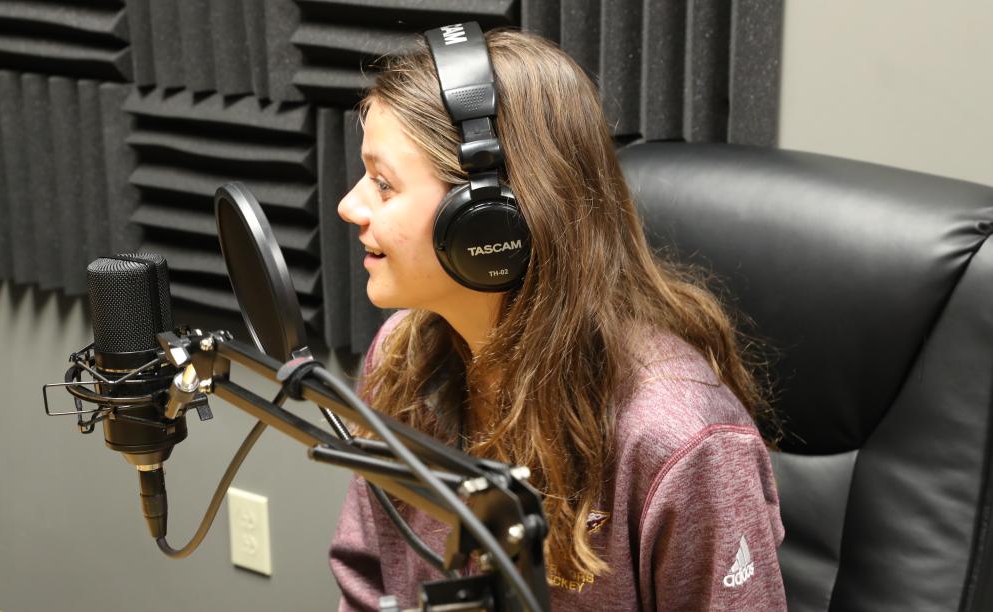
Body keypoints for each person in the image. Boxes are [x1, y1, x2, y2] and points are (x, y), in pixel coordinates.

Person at [330, 23, 785, 611]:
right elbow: (368, 584)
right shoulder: (403, 358)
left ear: (487, 224)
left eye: (384, 184)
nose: (349, 205)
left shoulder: (679, 439)